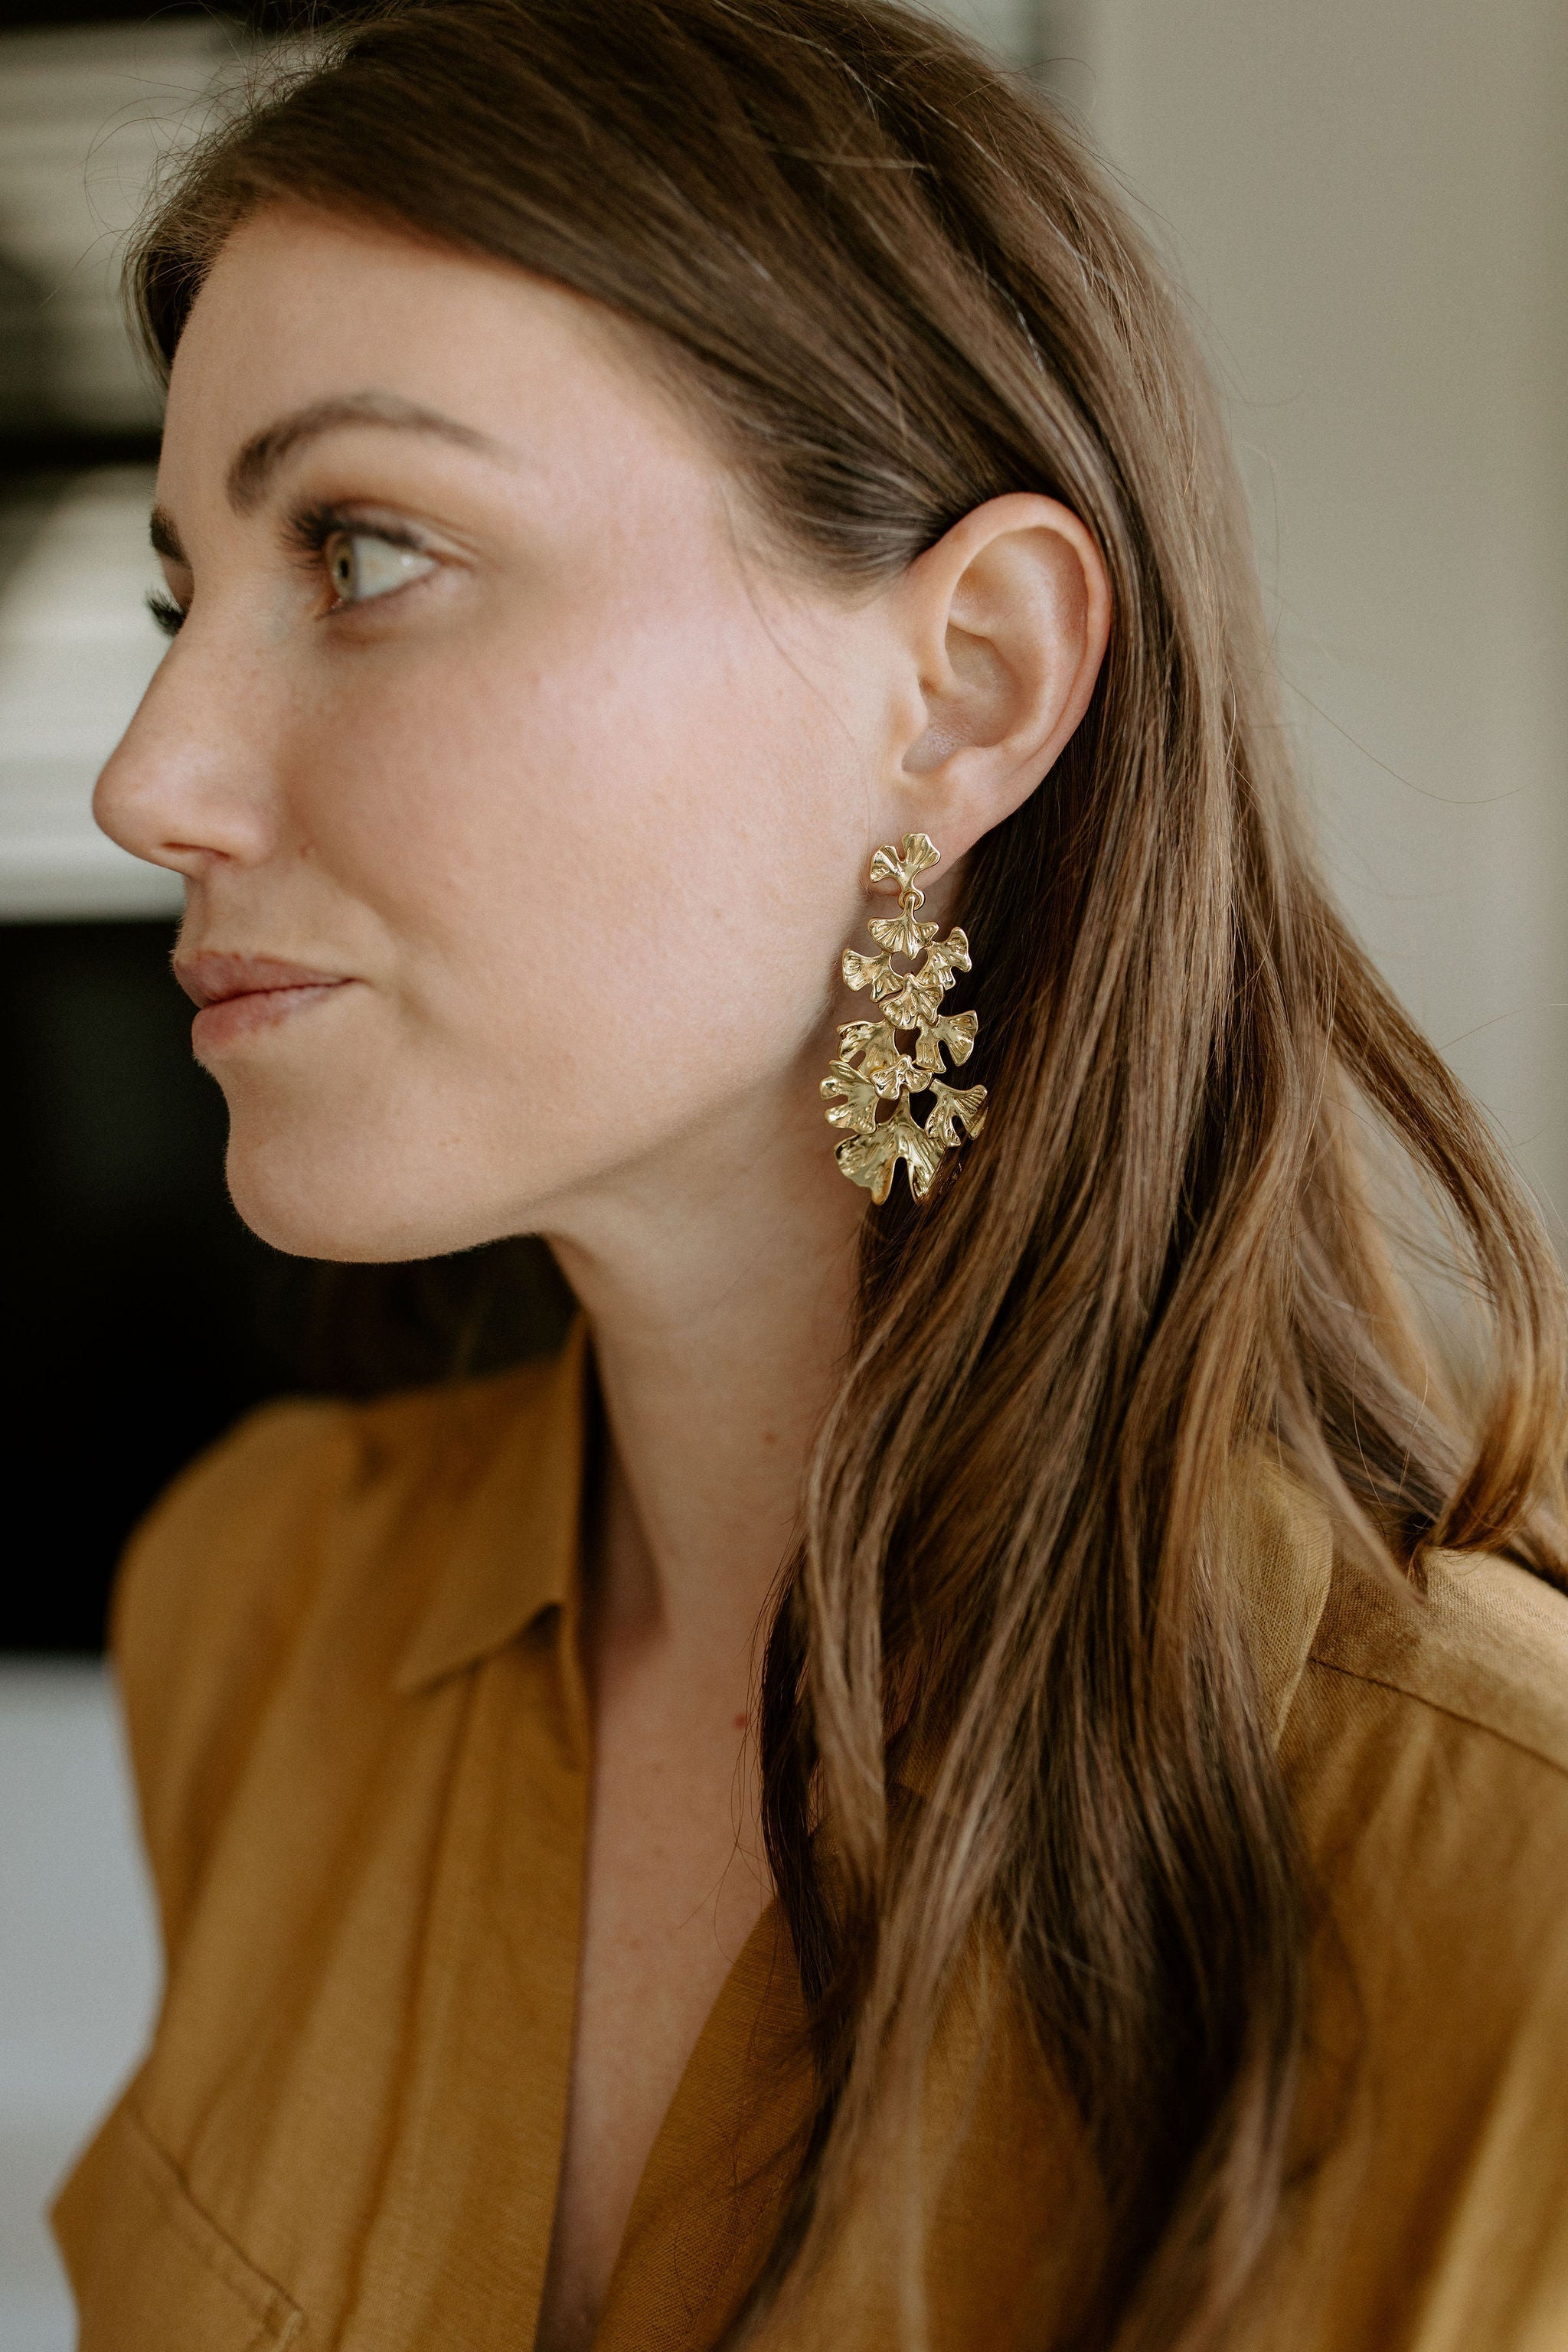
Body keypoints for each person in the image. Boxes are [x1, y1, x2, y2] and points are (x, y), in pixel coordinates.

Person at [55, 2, 1568, 2347]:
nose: (149, 780)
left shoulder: (1502, 1876)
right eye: (184, 600)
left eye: (361, 548)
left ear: (967, 683)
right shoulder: (255, 1619)